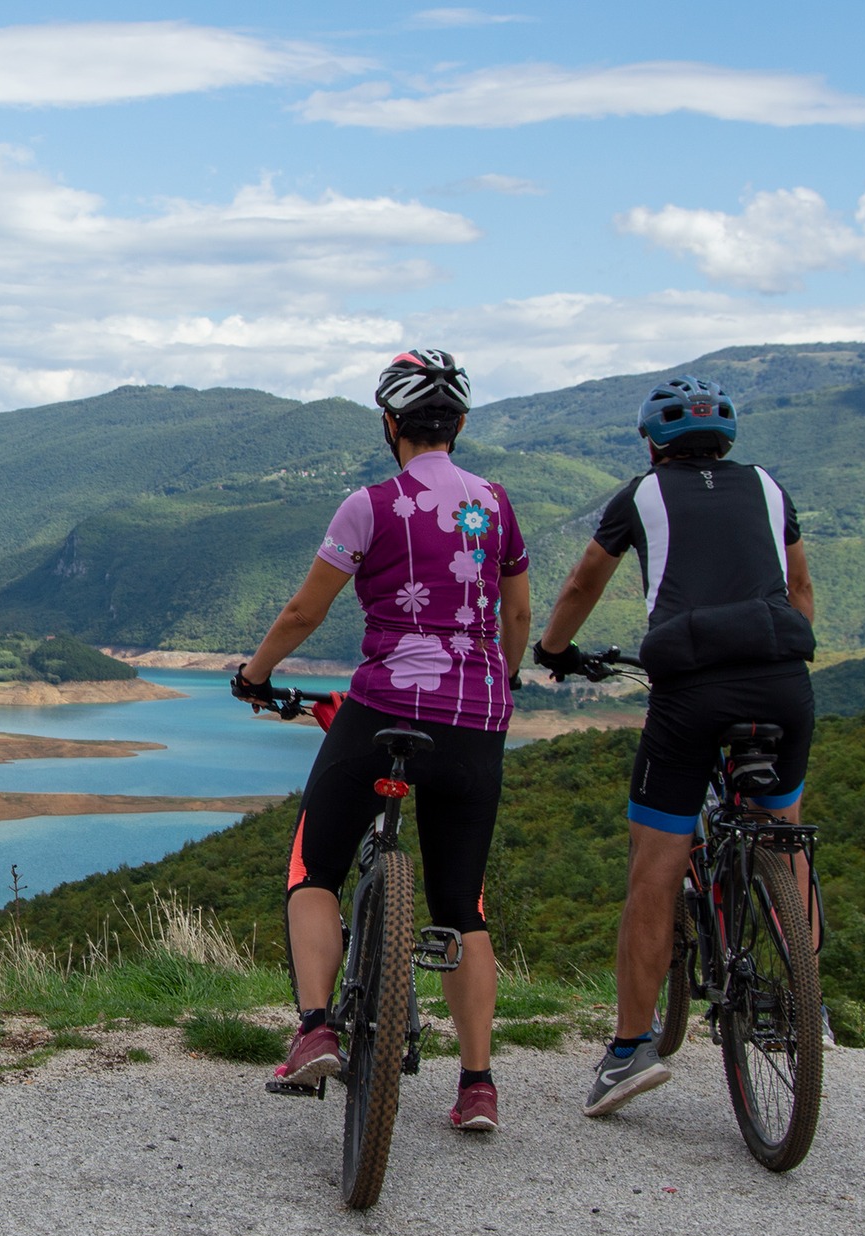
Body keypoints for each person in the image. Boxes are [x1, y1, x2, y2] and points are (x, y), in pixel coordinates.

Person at [233, 348, 531, 1132]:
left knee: (315, 865)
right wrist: (501, 684)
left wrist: (253, 675)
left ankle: (315, 1029)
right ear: (460, 425)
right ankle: (477, 1086)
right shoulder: (497, 505)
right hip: (477, 717)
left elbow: (304, 614)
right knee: (462, 902)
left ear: (390, 424)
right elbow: (518, 618)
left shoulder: (368, 504)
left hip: (384, 708)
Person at [530, 375, 818, 1118]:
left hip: (692, 693)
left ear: (652, 441)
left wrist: (554, 650)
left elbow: (581, 584)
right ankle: (800, 1008)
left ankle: (629, 1051)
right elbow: (799, 587)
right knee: (786, 839)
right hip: (784, 682)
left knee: (653, 866)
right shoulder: (769, 487)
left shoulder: (640, 496)